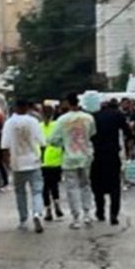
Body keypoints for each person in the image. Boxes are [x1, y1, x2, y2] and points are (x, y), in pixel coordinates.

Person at [49, 92, 96, 229]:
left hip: (69, 157)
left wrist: (62, 144)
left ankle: (76, 217)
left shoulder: (62, 120)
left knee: (72, 188)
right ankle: (87, 214)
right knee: (85, 185)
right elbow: (92, 133)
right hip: (85, 155)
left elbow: (52, 139)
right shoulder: (88, 118)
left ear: (68, 103)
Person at [0, 99, 47, 233]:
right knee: (37, 191)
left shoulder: (9, 123)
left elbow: (4, 146)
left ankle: (23, 220)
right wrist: (41, 157)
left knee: (20, 193)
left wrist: (7, 162)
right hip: (33, 161)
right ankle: (37, 213)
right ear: (27, 108)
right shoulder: (33, 121)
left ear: (15, 107)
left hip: (17, 163)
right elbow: (42, 142)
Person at [92, 98, 131, 224]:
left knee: (97, 185)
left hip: (97, 154)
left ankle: (100, 211)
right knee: (115, 185)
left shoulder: (93, 116)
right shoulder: (117, 115)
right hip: (112, 154)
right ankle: (114, 214)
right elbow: (128, 131)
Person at [40, 104, 65, 221]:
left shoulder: (39, 126)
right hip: (56, 159)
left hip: (42, 160)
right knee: (54, 185)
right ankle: (57, 203)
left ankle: (48, 210)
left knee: (45, 187)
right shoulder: (57, 125)